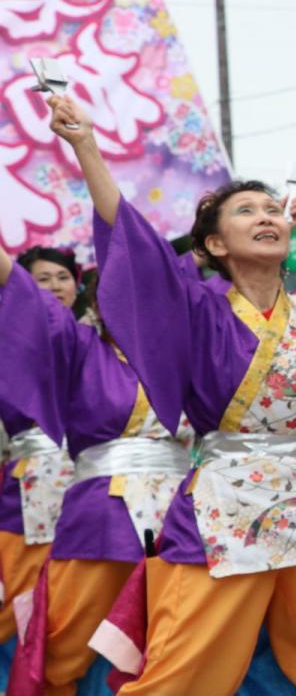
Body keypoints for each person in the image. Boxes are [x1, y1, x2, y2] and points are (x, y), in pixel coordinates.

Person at [49, 93, 296, 695]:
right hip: (223, 507)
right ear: (213, 244)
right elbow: (136, 249)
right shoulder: (197, 307)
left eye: (272, 209)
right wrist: (85, 145)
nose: (264, 216)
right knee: (182, 675)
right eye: (245, 211)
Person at [0, 239, 194, 695]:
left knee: (172, 640)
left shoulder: (187, 351)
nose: (131, 298)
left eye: (145, 288)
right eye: (115, 289)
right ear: (96, 299)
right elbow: (24, 298)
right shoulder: (75, 343)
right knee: (60, 638)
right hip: (99, 512)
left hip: (182, 516)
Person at [0, 249, 76, 662]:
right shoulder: (7, 341)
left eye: (62, 277)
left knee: (78, 602)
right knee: (17, 597)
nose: (52, 288)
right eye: (40, 280)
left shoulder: (99, 338)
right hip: (29, 484)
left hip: (101, 485)